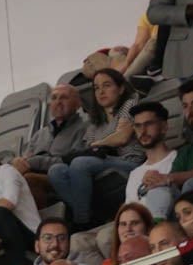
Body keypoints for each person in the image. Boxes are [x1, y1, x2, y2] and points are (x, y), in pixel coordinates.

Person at [46, 70, 143, 229]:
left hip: (130, 162)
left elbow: (123, 137)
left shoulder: (130, 104)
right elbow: (89, 148)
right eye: (96, 88)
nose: (101, 91)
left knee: (80, 163)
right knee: (56, 170)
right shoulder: (94, 121)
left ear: (120, 89)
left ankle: (82, 221)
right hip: (103, 163)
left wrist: (99, 143)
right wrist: (104, 143)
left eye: (106, 86)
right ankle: (90, 215)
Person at [13, 83, 92, 206]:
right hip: (36, 176)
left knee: (28, 180)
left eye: (64, 97)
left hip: (62, 177)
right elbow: (26, 160)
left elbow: (75, 161)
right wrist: (18, 162)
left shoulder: (85, 128)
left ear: (78, 104)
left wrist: (38, 161)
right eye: (54, 98)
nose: (58, 102)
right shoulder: (40, 134)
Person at [126, 101, 180, 220]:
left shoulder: (178, 159)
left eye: (148, 124)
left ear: (164, 127)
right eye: (138, 126)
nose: (143, 131)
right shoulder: (134, 174)